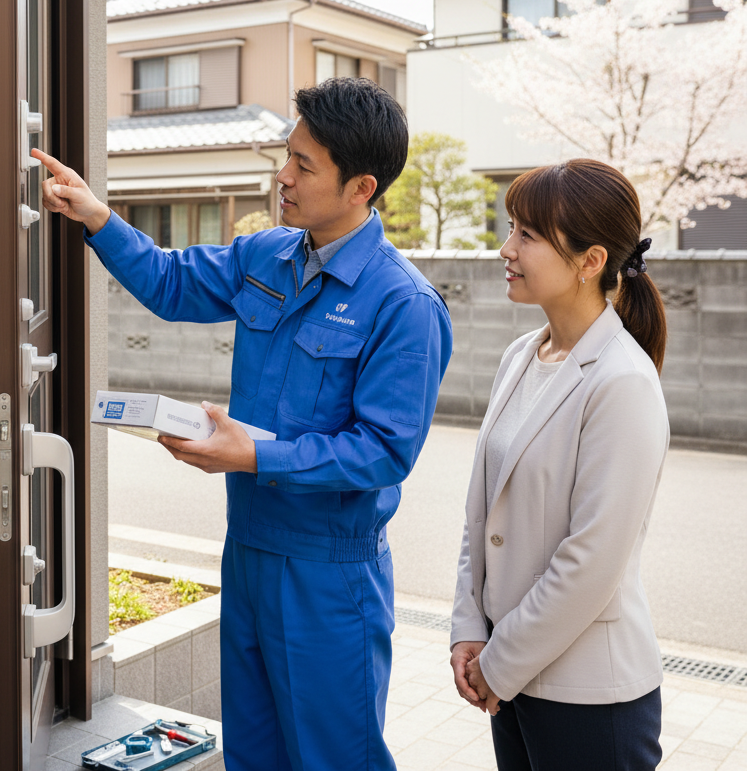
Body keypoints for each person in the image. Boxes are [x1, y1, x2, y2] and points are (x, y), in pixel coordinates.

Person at [34, 77, 451, 771]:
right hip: (249, 551)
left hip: (328, 575)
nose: (282, 177)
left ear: (361, 187)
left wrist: (256, 456)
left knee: (331, 759)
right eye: (286, 157)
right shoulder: (268, 255)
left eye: (303, 165)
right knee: (253, 753)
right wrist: (97, 218)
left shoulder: (403, 304)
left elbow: (383, 452)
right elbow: (170, 282)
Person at [449, 159, 670, 771]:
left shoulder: (622, 380)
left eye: (527, 235)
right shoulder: (522, 354)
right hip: (510, 674)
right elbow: (481, 512)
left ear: (590, 261)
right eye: (512, 228)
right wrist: (470, 626)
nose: (506, 248)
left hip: (588, 694)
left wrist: (499, 662)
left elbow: (593, 559)